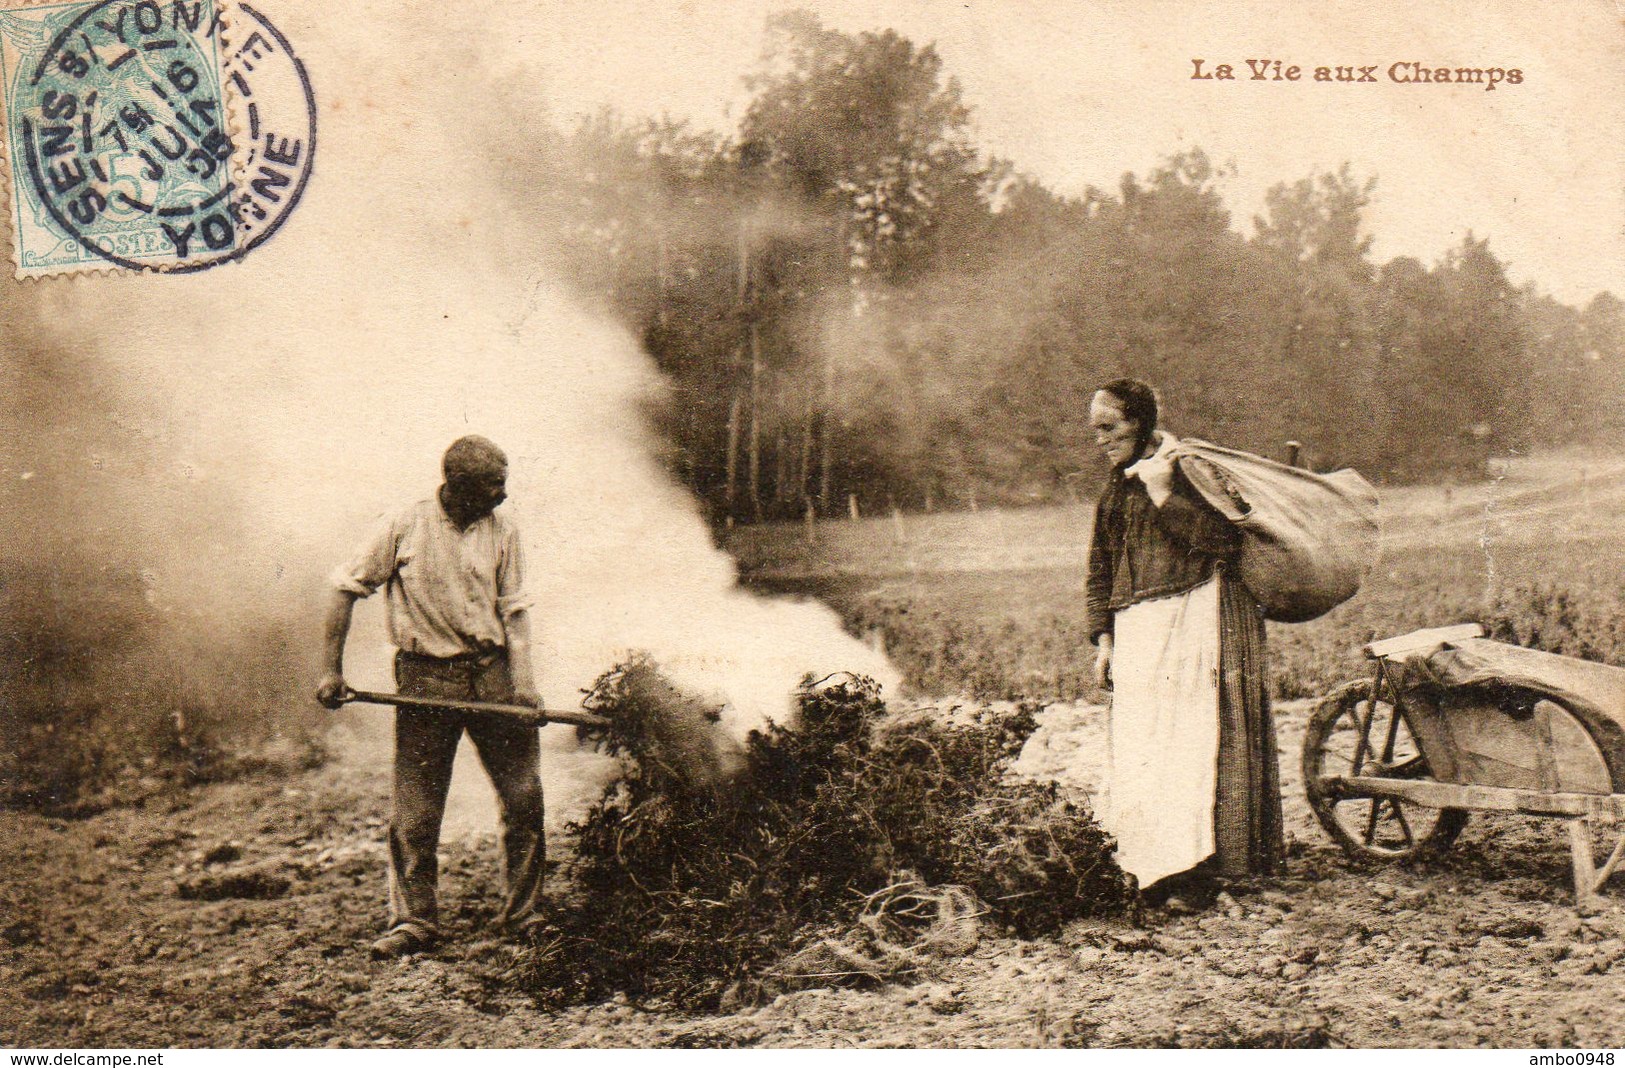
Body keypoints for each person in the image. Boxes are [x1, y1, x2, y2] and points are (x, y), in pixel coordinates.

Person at [316, 435, 547, 958]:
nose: (503, 495)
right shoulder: (404, 525)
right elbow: (344, 588)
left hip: (494, 676)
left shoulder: (504, 530)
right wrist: (331, 671)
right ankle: (414, 921)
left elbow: (515, 612)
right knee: (417, 809)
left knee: (524, 796)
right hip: (426, 681)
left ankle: (526, 914)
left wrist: (525, 683)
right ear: (459, 486)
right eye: (494, 485)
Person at [1084, 379, 1283, 908]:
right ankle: (1150, 867)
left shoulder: (1185, 469)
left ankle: (1192, 873)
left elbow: (1224, 543)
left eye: (1110, 427)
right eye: (1095, 431)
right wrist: (1103, 638)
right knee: (1140, 747)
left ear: (1140, 421)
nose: (1101, 439)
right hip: (1138, 631)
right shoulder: (1115, 484)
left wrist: (1162, 492)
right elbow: (1100, 564)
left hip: (1191, 619)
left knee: (1187, 748)